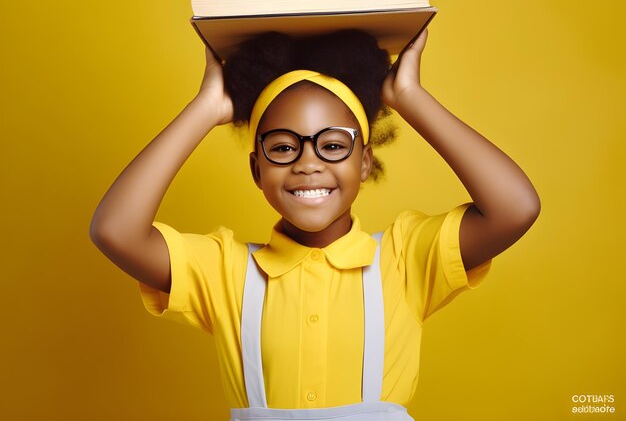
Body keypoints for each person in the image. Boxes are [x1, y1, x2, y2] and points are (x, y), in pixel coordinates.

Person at [90, 29, 540, 421]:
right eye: (284, 148)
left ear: (365, 162)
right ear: (256, 169)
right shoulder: (225, 272)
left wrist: (410, 98)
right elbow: (115, 230)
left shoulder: (405, 259)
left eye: (332, 146)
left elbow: (515, 207)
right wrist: (205, 108)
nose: (308, 164)